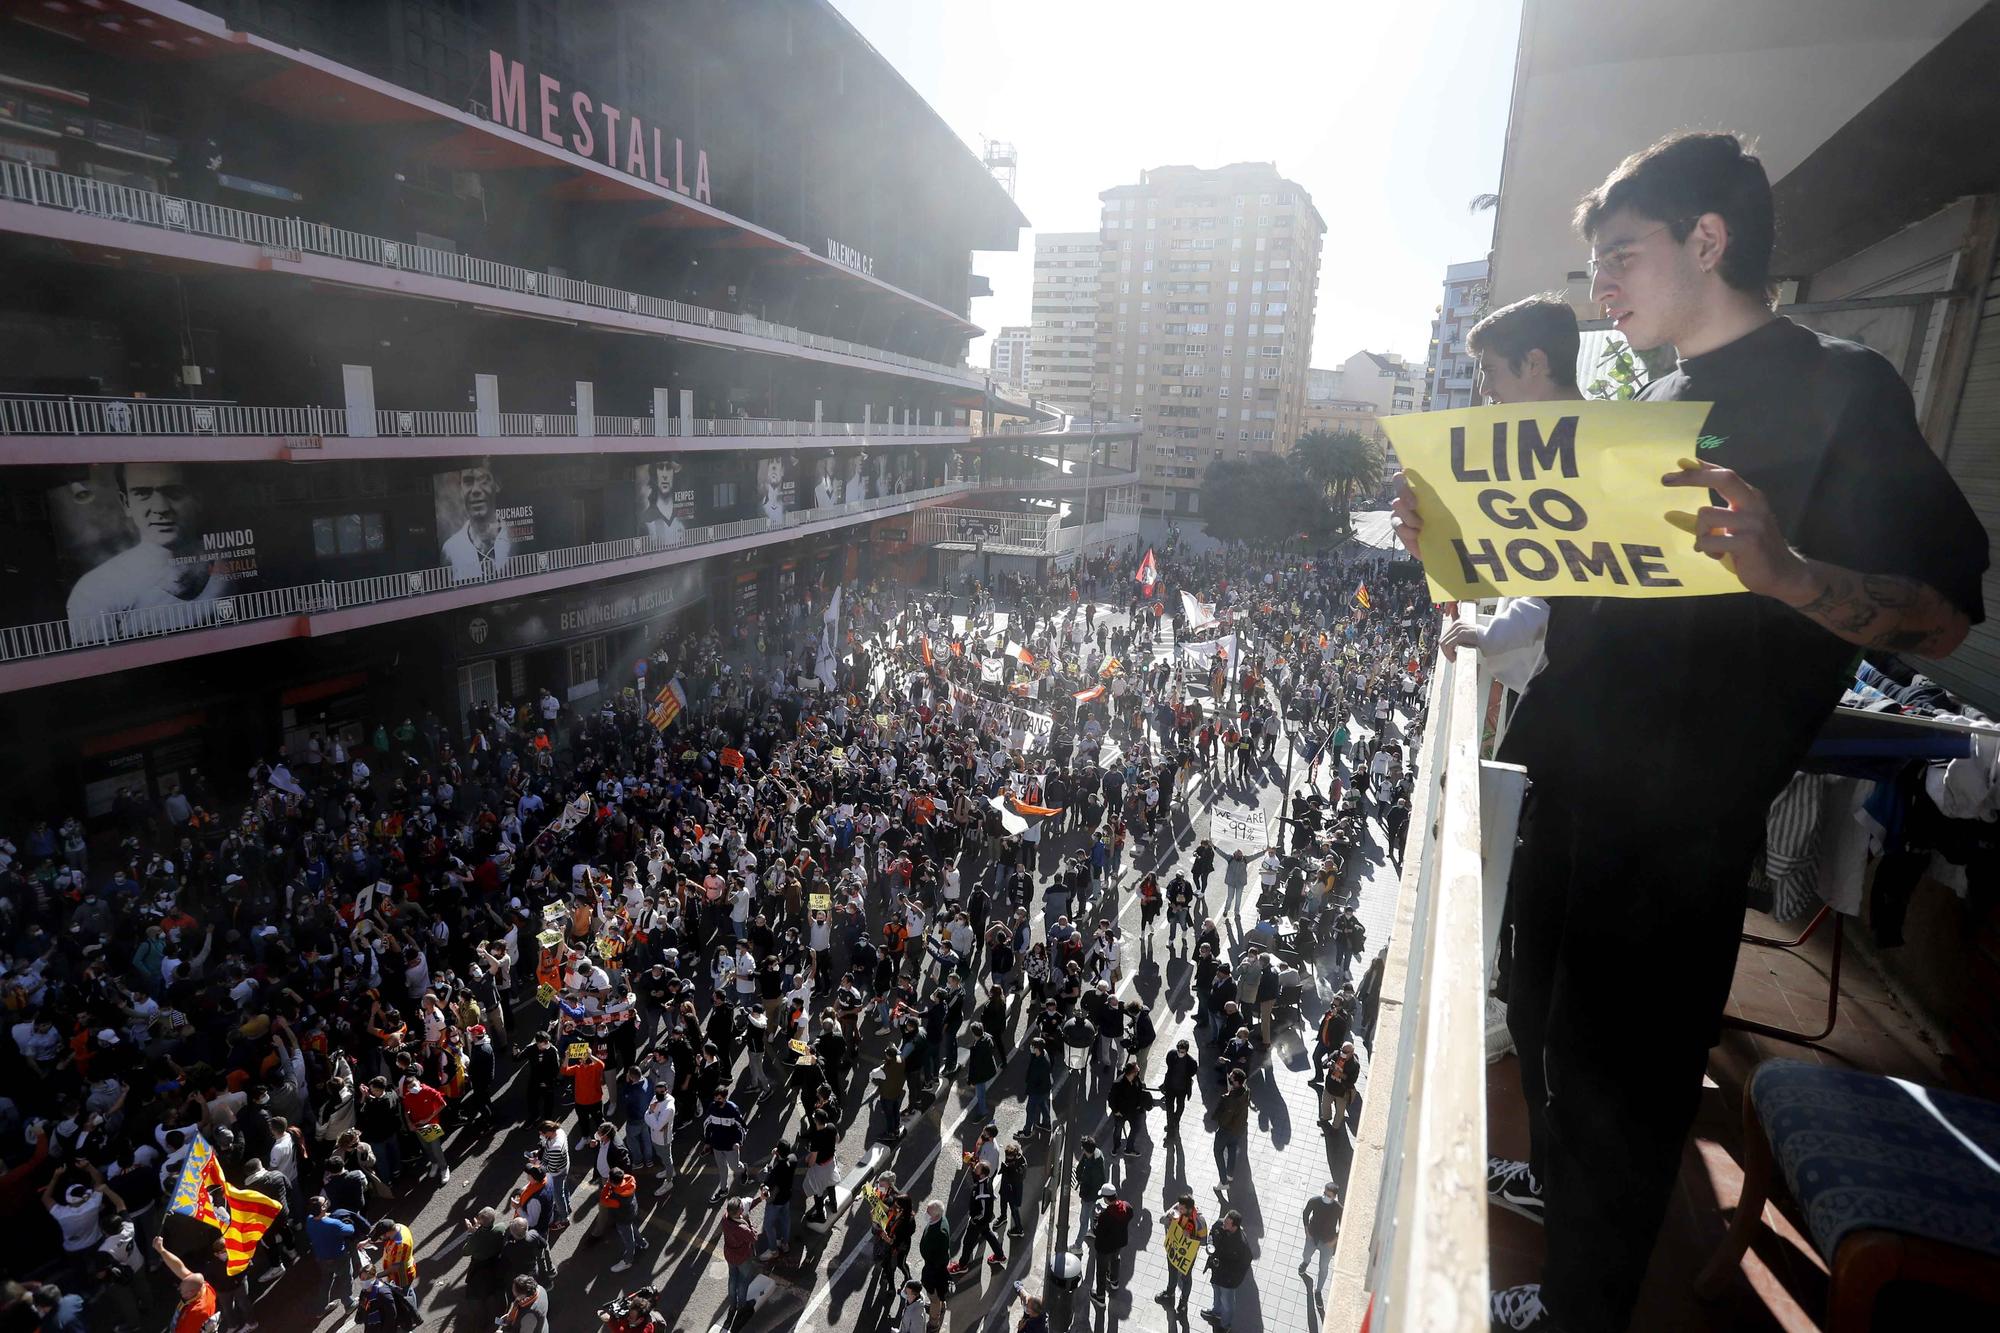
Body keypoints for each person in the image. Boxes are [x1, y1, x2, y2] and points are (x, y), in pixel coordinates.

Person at [1395, 132, 1988, 1333]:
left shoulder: (1837, 387)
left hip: (1675, 826)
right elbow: (1584, 591)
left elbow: (1937, 613)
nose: (1600, 291)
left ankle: (1579, 1308)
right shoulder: (1645, 405)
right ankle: (1560, 1197)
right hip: (1568, 778)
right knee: (1547, 1023)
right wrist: (1452, 542)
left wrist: (1784, 571)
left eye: (1620, 257)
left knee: (1623, 1085)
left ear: (1705, 241)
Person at [65, 463, 236, 622]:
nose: (161, 508)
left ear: (198, 498)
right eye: (142, 494)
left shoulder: (231, 562)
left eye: (173, 492)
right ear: (126, 504)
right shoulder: (94, 590)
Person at [441, 458, 514, 579]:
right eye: (468, 482)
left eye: (484, 480)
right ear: (461, 489)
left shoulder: (515, 541)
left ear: (497, 484)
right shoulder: (450, 550)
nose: (475, 490)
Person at [305, 1194, 361, 1314]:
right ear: (323, 1208)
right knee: (346, 1279)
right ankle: (348, 1303)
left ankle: (322, 1307)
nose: (326, 1201)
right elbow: (350, 1230)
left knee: (326, 1281)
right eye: (324, 1202)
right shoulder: (333, 1224)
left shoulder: (309, 1219)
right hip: (339, 1257)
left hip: (321, 1258)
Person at [154, 1236, 219, 1333]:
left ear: (191, 1292)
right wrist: (162, 1250)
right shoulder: (203, 1286)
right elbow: (180, 1268)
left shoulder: (196, 1312)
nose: (179, 1290)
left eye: (182, 1290)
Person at [1203, 1210, 1253, 1332]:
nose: (1223, 1223)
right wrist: (1210, 1245)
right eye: (1224, 1220)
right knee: (1216, 1292)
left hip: (1228, 1280)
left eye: (1227, 1223)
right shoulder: (1220, 1224)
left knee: (1227, 1303)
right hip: (1216, 1272)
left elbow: (1244, 1264)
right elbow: (1211, 1234)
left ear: (1234, 1227)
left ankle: (1225, 1325)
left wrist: (1233, 1277)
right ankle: (1216, 1312)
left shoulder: (1241, 1244)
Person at [720, 1190, 768, 1312]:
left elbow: (747, 1205)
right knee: (743, 1280)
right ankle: (741, 1305)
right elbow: (754, 1237)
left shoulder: (725, 1217)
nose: (743, 1207)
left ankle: (732, 1305)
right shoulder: (742, 1228)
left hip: (729, 1254)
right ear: (739, 1212)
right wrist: (749, 1223)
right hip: (742, 1257)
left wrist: (759, 1199)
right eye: (741, 1208)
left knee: (732, 1278)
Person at [1159, 1192, 1207, 1315]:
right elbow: (1161, 1220)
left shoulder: (1199, 1221)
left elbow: (1204, 1241)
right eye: (1178, 1207)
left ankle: (1183, 1302)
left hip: (1187, 1255)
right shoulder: (1176, 1208)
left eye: (1181, 1209)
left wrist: (1190, 1236)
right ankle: (1170, 1292)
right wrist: (1168, 1217)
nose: (1178, 1209)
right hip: (1174, 1248)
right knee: (1172, 1271)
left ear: (1189, 1209)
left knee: (1186, 1278)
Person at [1088, 1182, 1133, 1305]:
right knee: (1114, 1260)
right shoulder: (1126, 1207)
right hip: (1119, 1243)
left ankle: (1100, 1297)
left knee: (1101, 1271)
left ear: (1106, 1199)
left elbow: (1097, 1231)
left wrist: (1096, 1219)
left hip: (1104, 1247)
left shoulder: (1105, 1216)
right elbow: (1131, 1215)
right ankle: (1114, 1281)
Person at [1300, 1182, 1342, 1298]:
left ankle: (1318, 1290)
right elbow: (1305, 1214)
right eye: (1324, 1193)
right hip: (1312, 1236)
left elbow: (1344, 1225)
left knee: (1323, 1267)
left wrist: (1334, 1241)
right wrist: (1307, 1231)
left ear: (1334, 1197)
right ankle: (1305, 1263)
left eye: (1329, 1196)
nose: (1325, 1197)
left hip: (1327, 1242)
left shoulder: (1338, 1208)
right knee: (1306, 1254)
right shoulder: (1315, 1201)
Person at [917, 1200, 952, 1331]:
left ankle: (933, 1323)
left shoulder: (941, 1232)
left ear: (936, 1215)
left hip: (934, 1270)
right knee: (937, 1296)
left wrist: (932, 1270)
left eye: (928, 1212)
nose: (926, 1213)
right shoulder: (937, 1221)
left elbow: (941, 1256)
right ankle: (940, 1307)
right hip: (932, 1266)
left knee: (934, 1297)